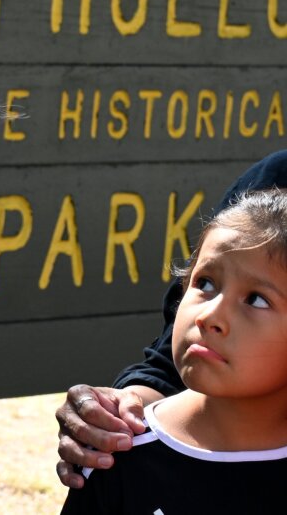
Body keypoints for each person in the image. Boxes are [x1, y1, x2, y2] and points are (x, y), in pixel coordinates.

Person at [54, 149, 287, 487]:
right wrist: (114, 417)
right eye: (204, 283)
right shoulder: (126, 463)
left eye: (256, 300)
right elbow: (165, 369)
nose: (211, 315)